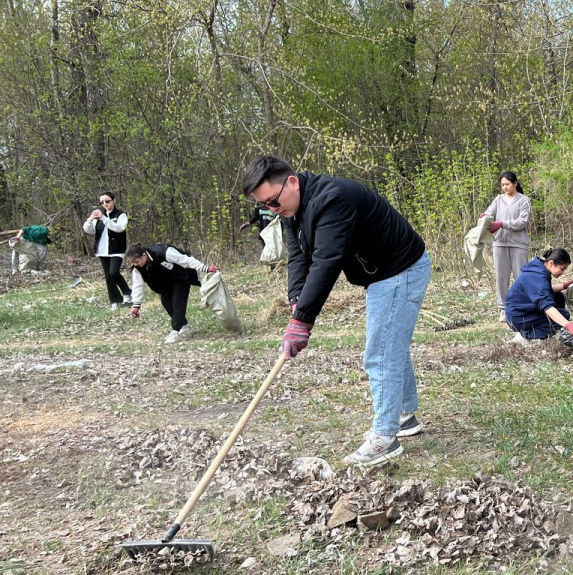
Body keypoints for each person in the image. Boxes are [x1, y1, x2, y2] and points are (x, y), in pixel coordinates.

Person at [242, 155, 432, 468]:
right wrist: (296, 299)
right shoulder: (291, 208)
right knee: (390, 342)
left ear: (292, 181)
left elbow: (327, 261)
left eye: (274, 202)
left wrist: (302, 321)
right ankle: (404, 415)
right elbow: (300, 257)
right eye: (266, 206)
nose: (273, 210)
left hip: (401, 269)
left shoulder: (333, 199)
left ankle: (385, 438)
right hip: (381, 273)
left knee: (381, 352)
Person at [126, 244, 219, 343]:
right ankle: (185, 326)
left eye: (137, 261)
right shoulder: (137, 268)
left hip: (181, 276)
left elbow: (186, 260)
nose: (136, 264)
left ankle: (175, 331)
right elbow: (137, 286)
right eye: (133, 263)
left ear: (144, 255)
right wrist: (136, 305)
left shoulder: (165, 252)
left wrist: (205, 268)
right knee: (167, 303)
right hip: (164, 282)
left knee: (178, 303)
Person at [505, 248, 573, 343]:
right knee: (563, 315)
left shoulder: (537, 270)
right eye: (562, 269)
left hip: (521, 311)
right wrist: (569, 326)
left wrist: (565, 285)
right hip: (519, 318)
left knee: (558, 296)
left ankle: (532, 330)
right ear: (551, 263)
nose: (563, 272)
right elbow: (547, 306)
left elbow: (545, 291)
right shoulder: (537, 277)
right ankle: (528, 335)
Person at [482, 172, 532, 321]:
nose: (505, 187)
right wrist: (485, 216)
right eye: (502, 185)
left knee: (520, 277)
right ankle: (503, 309)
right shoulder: (498, 200)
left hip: (519, 244)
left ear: (515, 183)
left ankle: (523, 307)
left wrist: (502, 223)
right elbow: (490, 212)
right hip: (500, 243)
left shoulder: (524, 200)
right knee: (501, 277)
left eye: (507, 184)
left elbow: (522, 221)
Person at [83, 191, 132, 311]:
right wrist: (90, 219)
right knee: (108, 277)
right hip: (102, 251)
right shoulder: (98, 217)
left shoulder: (121, 215)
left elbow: (119, 228)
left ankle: (127, 292)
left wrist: (104, 218)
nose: (105, 204)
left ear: (113, 201)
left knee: (114, 272)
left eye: (107, 201)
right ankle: (114, 300)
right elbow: (89, 230)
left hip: (116, 250)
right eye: (102, 202)